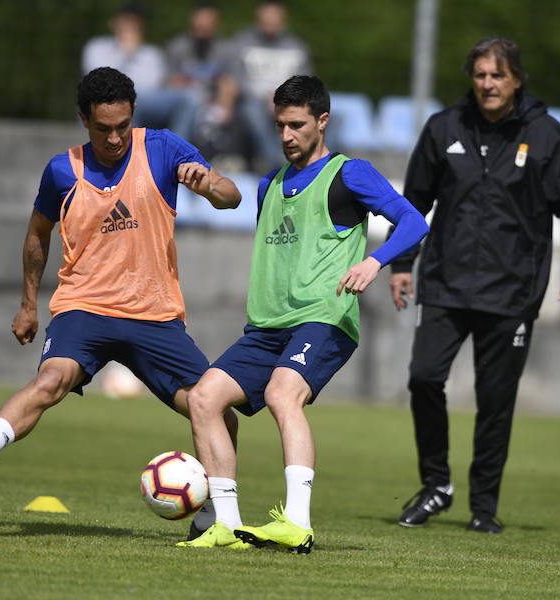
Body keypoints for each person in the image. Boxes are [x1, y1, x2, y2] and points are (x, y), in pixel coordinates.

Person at [0, 66, 242, 539]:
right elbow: (36, 237)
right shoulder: (62, 170)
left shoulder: (164, 148)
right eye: (104, 129)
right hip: (85, 306)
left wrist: (208, 185)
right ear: (84, 121)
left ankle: (211, 521)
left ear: (133, 116)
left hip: (153, 312)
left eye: (123, 127)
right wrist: (28, 304)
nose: (115, 138)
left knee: (215, 410)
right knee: (52, 379)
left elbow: (230, 197)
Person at [177, 75, 429, 551]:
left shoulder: (349, 173)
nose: (287, 135)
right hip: (267, 326)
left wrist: (374, 261)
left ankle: (297, 523)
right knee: (204, 399)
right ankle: (228, 525)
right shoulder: (269, 184)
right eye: (280, 126)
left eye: (297, 125)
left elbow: (414, 222)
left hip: (325, 316)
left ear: (322, 121)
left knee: (281, 393)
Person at [391, 37, 560, 534]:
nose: (487, 83)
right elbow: (413, 201)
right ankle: (436, 485)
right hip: (444, 282)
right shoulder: (444, 127)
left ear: (517, 80)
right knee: (423, 377)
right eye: (480, 74)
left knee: (495, 401)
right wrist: (402, 263)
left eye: (497, 75)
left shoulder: (550, 137)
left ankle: (483, 507)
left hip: (512, 292)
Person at [82, 2, 197, 139]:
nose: (130, 27)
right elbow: (99, 82)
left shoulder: (152, 54)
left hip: (144, 102)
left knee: (188, 99)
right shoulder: (96, 47)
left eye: (135, 23)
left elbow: (152, 86)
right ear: (114, 23)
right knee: (125, 103)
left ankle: (176, 152)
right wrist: (126, 53)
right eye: (126, 21)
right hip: (109, 103)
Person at [230, 0, 312, 169]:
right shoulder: (242, 42)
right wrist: (266, 97)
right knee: (252, 112)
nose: (270, 23)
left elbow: (306, 83)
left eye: (275, 18)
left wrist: (283, 97)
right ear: (258, 19)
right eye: (266, 18)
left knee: (326, 115)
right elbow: (234, 78)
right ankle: (279, 161)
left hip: (289, 101)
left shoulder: (296, 46)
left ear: (283, 20)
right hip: (252, 101)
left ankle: (316, 165)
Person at [162, 2, 240, 157]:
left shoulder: (226, 49)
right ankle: (174, 156)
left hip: (215, 105)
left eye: (207, 24)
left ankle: (223, 155)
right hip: (186, 102)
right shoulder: (177, 47)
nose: (202, 29)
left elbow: (232, 83)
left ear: (216, 24)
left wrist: (222, 106)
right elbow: (168, 84)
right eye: (199, 24)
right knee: (188, 105)